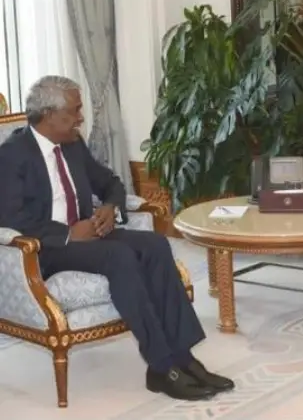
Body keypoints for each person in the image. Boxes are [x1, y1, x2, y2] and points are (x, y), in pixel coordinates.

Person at [0, 75, 235, 401]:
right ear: (49, 114)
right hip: (47, 249)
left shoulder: (72, 143)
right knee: (120, 257)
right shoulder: (13, 154)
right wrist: (68, 234)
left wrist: (110, 207)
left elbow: (109, 181)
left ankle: (183, 357)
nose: (81, 117)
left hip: (88, 234)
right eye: (75, 110)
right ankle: (163, 366)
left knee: (155, 244)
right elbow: (10, 219)